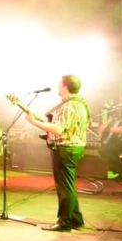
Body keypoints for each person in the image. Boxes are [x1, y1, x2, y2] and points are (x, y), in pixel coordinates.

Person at [24, 75, 91, 231]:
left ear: (65, 86)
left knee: (64, 187)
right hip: (73, 147)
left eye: (59, 84)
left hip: (66, 148)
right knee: (68, 186)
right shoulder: (80, 103)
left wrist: (34, 122)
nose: (57, 86)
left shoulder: (70, 106)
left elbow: (60, 129)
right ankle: (75, 219)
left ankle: (64, 222)